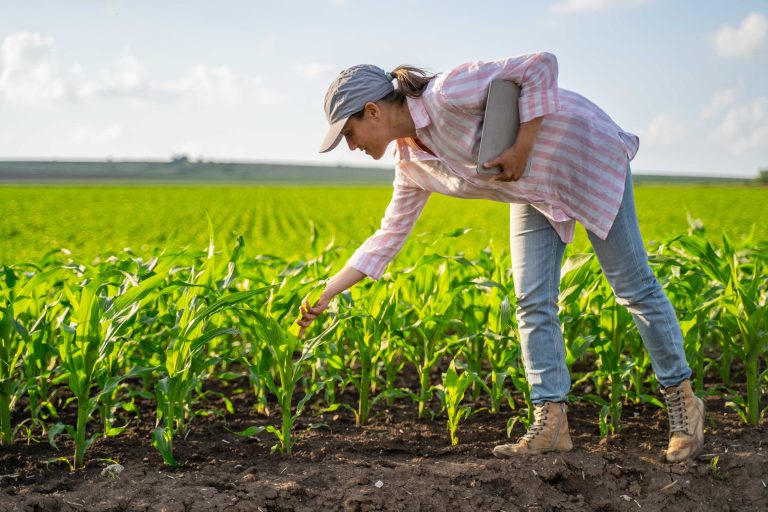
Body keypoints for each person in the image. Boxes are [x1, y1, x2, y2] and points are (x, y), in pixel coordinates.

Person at [297, 54, 704, 462]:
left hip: (581, 154)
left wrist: (523, 146)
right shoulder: (412, 164)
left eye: (349, 132)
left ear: (372, 111)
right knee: (531, 301)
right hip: (533, 190)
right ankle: (552, 423)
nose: (350, 145)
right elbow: (388, 235)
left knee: (631, 285)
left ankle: (683, 404)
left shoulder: (446, 93)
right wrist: (329, 291)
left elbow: (540, 65)